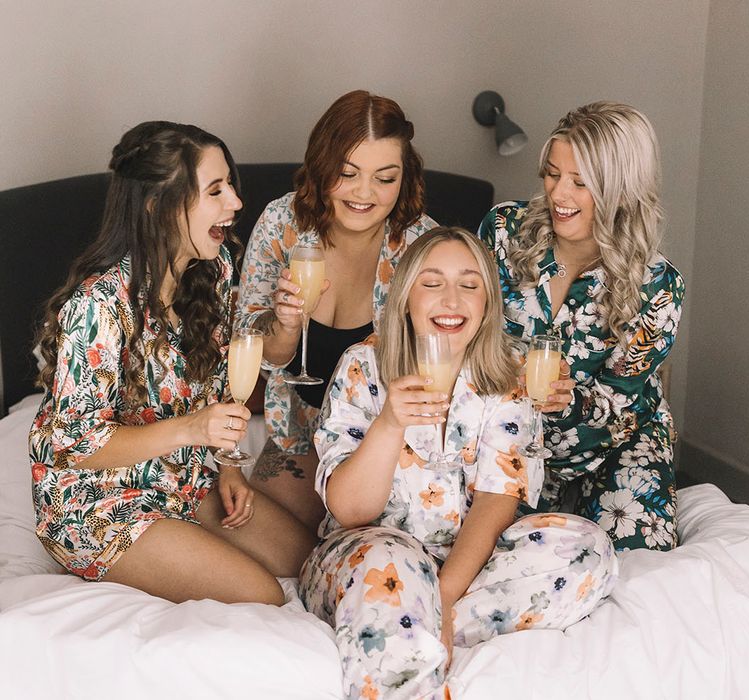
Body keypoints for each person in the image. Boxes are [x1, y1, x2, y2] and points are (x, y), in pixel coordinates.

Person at [299, 227, 618, 700]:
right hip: (368, 554)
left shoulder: (508, 373)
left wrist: (444, 599)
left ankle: (401, 627)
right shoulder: (362, 367)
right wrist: (388, 425)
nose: (452, 299)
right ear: (406, 297)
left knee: (586, 548)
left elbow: (497, 499)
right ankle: (399, 627)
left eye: (469, 285)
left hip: (466, 564)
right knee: (392, 563)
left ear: (487, 303)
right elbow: (350, 511)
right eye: (432, 283)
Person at [29, 121, 315, 605]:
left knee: (307, 562)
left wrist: (226, 466)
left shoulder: (215, 269)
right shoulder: (100, 304)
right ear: (158, 205)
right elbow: (75, 443)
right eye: (215, 190)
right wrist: (191, 430)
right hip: (97, 501)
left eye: (231, 186)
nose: (236, 204)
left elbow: (221, 381)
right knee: (261, 594)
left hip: (182, 477)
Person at [478, 101, 685, 552]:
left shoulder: (658, 286)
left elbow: (619, 402)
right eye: (552, 174)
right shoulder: (502, 232)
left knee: (639, 566)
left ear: (622, 189)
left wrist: (570, 401)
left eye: (581, 182)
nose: (559, 195)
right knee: (495, 557)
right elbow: (469, 330)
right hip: (510, 440)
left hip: (617, 444)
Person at [236, 90, 437, 530]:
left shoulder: (425, 248)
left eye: (385, 178)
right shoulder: (281, 224)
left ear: (405, 177)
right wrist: (285, 324)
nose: (364, 193)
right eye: (347, 174)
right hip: (299, 433)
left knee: (358, 547)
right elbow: (254, 355)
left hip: (384, 443)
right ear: (321, 167)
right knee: (258, 542)